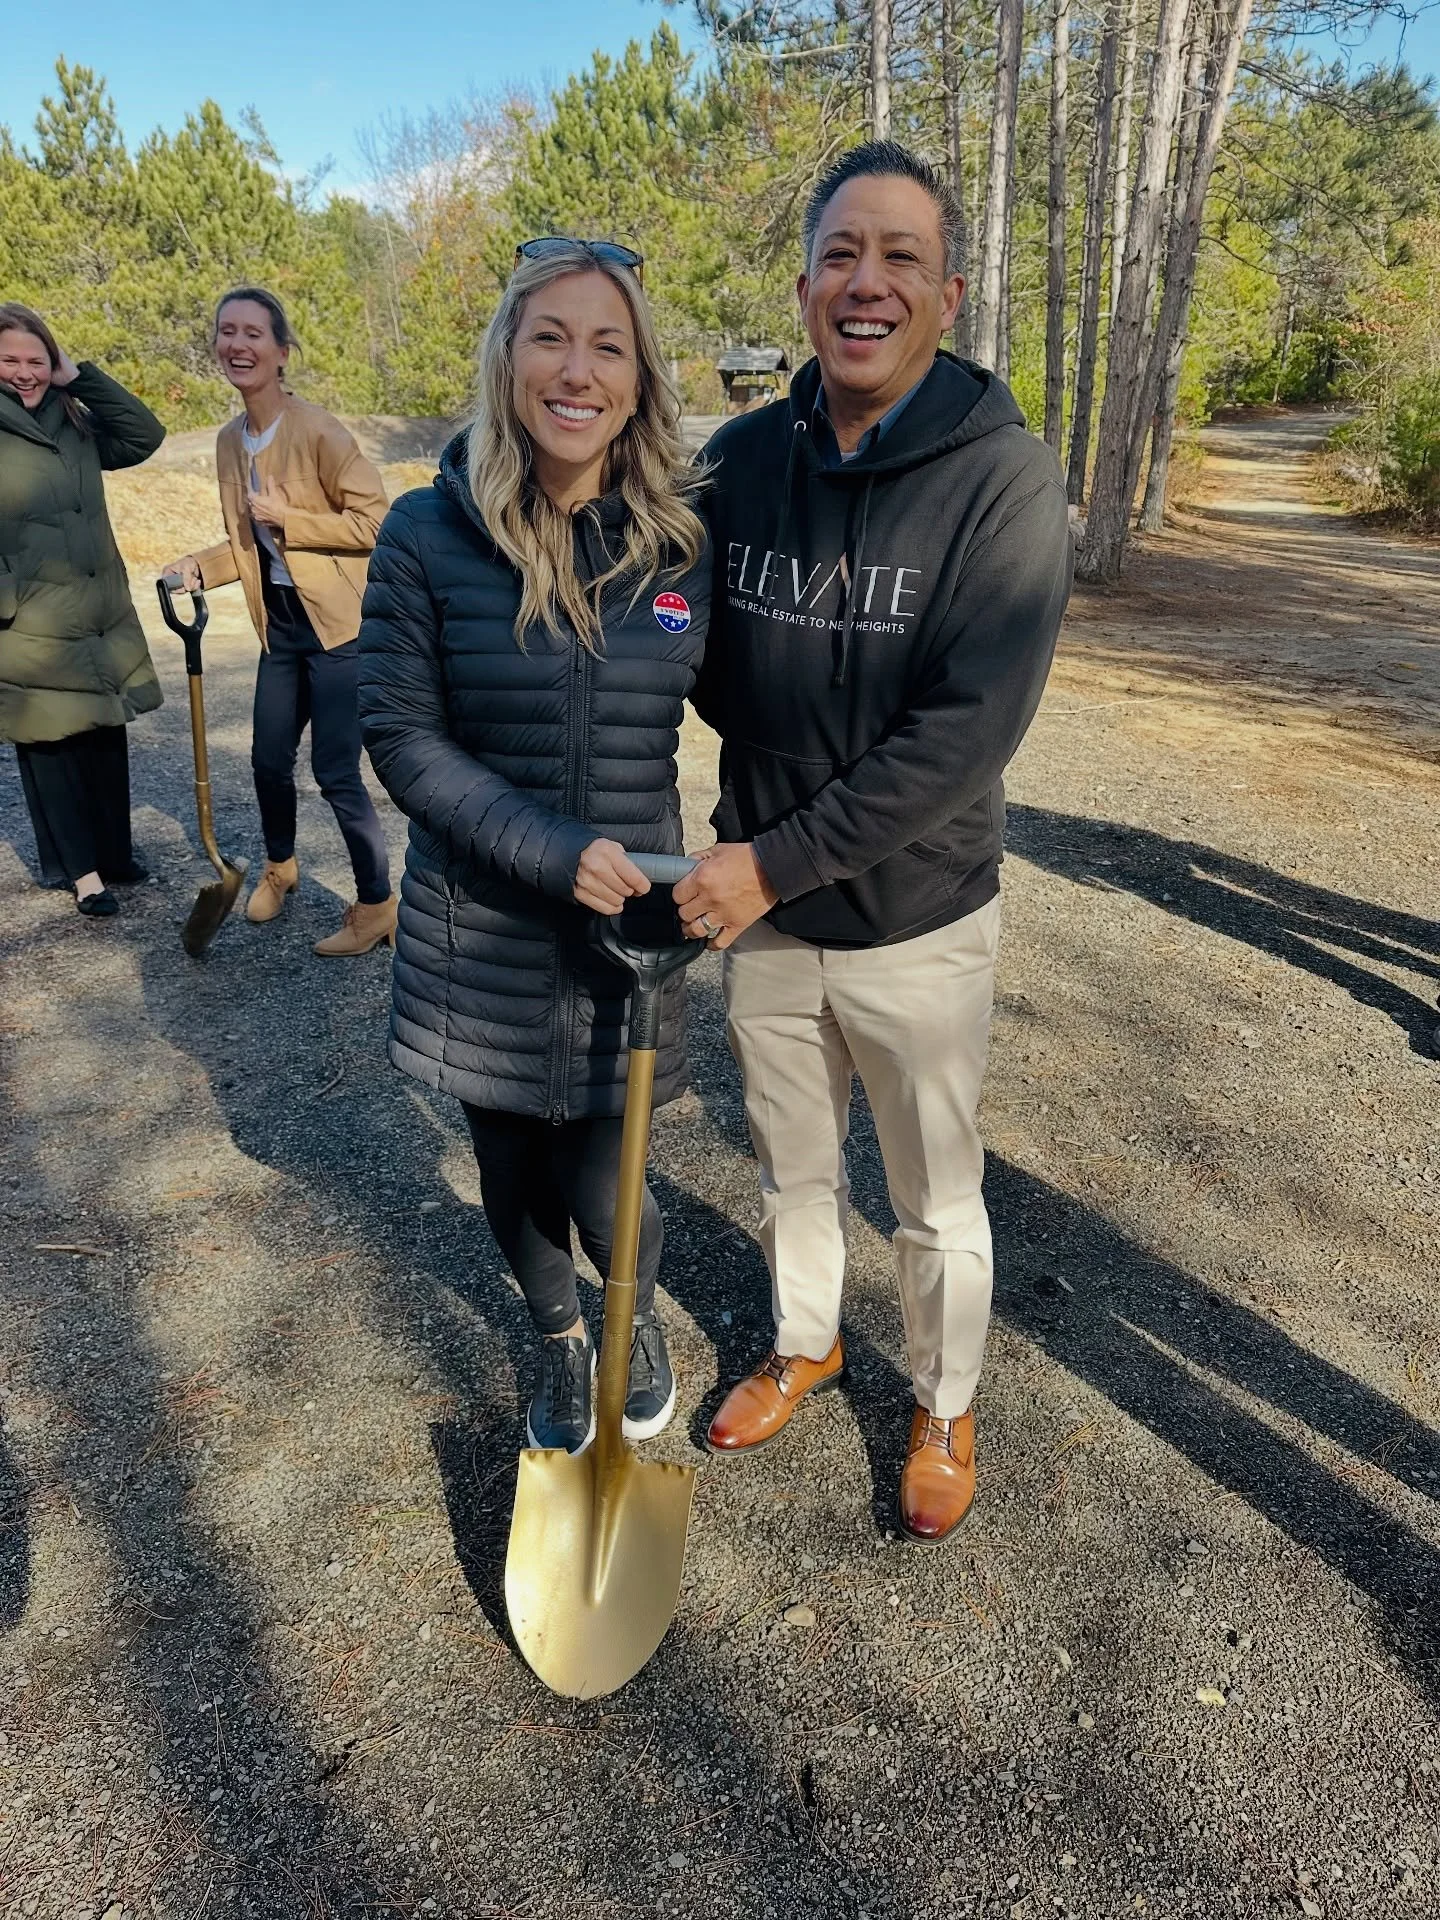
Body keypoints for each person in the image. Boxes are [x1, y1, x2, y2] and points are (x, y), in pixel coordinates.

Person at [676, 141, 1073, 1544]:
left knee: (931, 1194)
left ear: (946, 294)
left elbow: (963, 734)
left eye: (901, 257)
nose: (869, 282)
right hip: (768, 922)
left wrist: (766, 862)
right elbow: (673, 638)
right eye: (844, 253)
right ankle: (804, 1341)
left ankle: (946, 1396)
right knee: (792, 1166)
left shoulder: (1004, 484)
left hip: (915, 920)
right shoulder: (736, 466)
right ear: (802, 288)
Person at [357, 239, 709, 1454]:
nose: (579, 368)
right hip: (482, 931)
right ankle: (560, 1337)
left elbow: (763, 712)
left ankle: (632, 1314)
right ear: (508, 358)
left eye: (608, 344)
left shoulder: (678, 548)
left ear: (639, 376)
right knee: (513, 1176)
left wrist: (762, 850)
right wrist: (552, 850)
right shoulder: (424, 534)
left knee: (615, 1185)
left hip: (630, 937)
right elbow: (400, 737)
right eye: (550, 336)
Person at [164, 287, 395, 956]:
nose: (238, 344)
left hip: (338, 629)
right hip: (281, 627)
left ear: (281, 351)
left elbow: (377, 521)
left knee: (336, 772)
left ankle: (378, 904)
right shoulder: (227, 442)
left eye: (253, 333)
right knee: (268, 759)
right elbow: (245, 543)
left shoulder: (319, 430)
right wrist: (199, 568)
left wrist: (292, 519)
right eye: (226, 332)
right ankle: (282, 866)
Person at [1, 303, 165, 916]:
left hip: (94, 607)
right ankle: (84, 873)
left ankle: (114, 853)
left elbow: (144, 436)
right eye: (10, 359)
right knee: (50, 743)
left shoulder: (73, 418)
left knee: (102, 732)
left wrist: (80, 378)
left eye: (36, 359)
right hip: (30, 616)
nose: (25, 372)